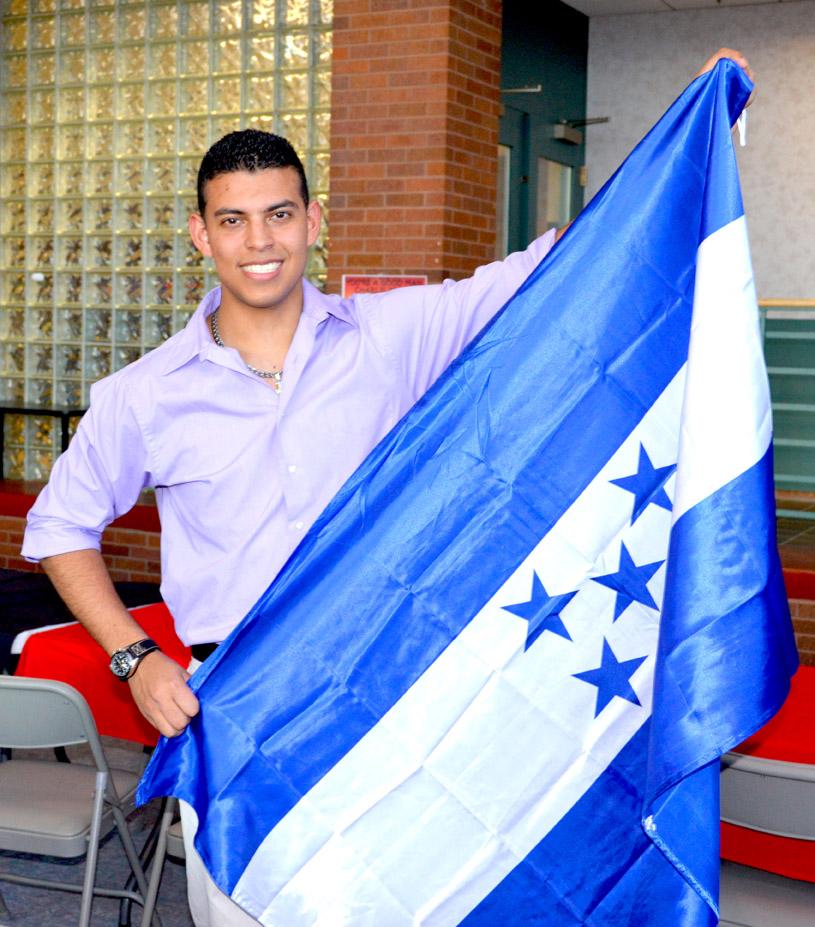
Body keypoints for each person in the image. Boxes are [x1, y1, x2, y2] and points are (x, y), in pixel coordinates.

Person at [21, 47, 752, 927]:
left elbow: (552, 271)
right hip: (238, 700)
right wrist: (134, 658)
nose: (260, 242)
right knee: (242, 908)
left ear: (313, 219)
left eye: (280, 214)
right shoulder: (142, 394)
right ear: (200, 233)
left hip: (386, 686)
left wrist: (691, 130)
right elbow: (60, 525)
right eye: (235, 220)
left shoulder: (389, 334)